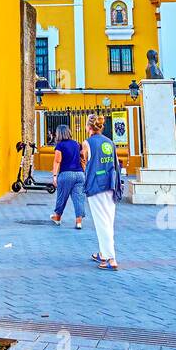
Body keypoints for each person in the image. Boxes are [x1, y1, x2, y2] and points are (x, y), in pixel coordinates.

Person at [82, 114, 123, 270]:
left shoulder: (87, 143)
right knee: (108, 220)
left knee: (101, 222)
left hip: (95, 184)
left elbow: (85, 163)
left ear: (89, 127)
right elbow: (115, 163)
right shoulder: (110, 142)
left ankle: (109, 258)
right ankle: (103, 252)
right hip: (110, 184)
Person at [49, 124, 86, 229]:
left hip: (66, 174)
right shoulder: (76, 144)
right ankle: (79, 222)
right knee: (78, 198)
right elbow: (83, 157)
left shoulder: (60, 146)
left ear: (59, 134)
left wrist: (55, 176)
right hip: (80, 175)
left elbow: (57, 161)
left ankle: (57, 218)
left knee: (62, 197)